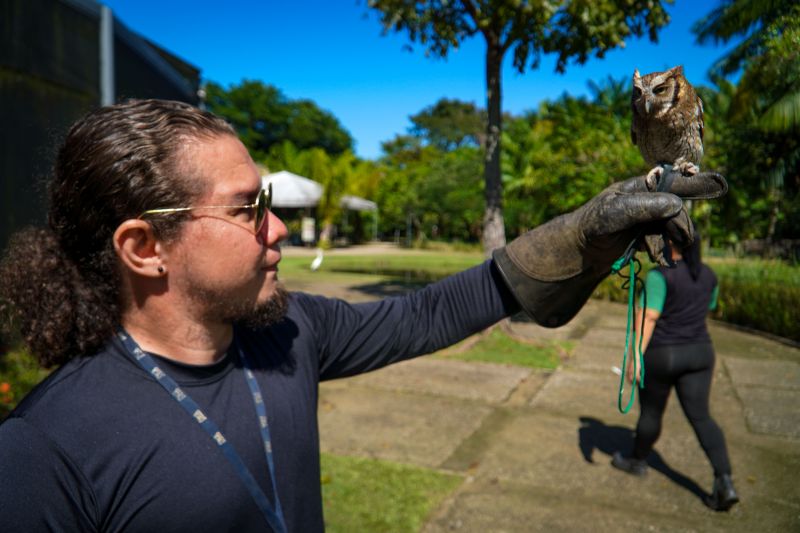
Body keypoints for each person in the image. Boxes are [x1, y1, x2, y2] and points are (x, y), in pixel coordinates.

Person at [0, 99, 727, 531]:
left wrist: (587, 230)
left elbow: (438, 309)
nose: (276, 228)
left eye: (271, 204)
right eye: (247, 210)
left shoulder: (288, 332)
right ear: (144, 246)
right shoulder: (44, 451)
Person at [611, 233, 739, 512]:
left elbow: (649, 315)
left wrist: (635, 356)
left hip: (664, 355)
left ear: (671, 244)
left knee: (652, 413)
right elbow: (709, 306)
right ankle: (724, 480)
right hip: (701, 353)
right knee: (702, 417)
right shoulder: (708, 275)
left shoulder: (660, 276)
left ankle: (637, 461)